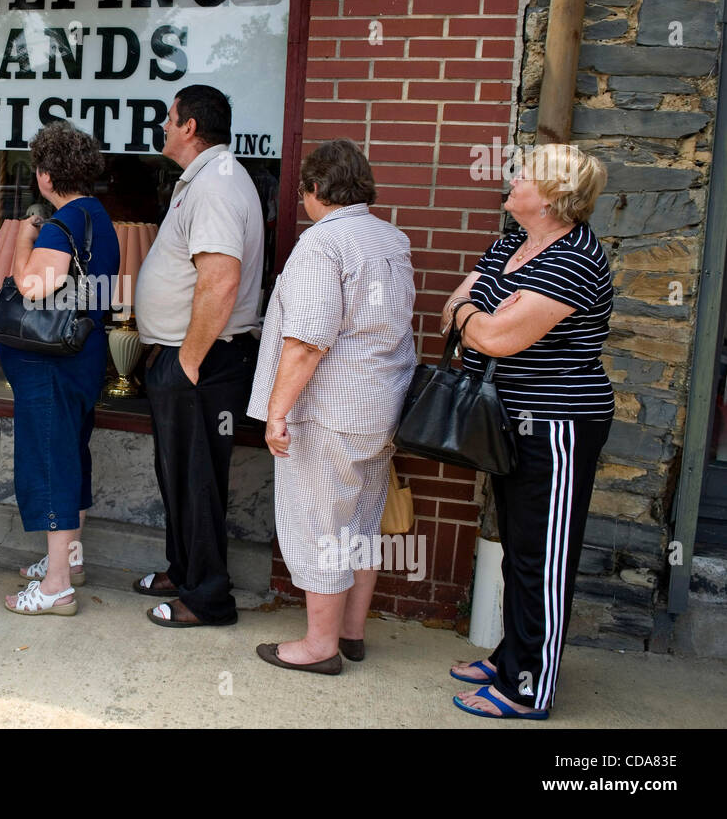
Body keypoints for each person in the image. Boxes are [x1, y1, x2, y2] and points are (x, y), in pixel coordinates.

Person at [446, 144, 612, 720]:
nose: (512, 178)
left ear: (552, 196)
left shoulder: (574, 258)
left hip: (557, 425)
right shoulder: (513, 244)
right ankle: (512, 655)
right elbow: (458, 304)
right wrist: (479, 317)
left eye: (525, 174)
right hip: (508, 419)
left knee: (543, 556)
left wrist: (477, 319)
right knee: (520, 546)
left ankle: (528, 688)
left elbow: (493, 338)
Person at [246, 139, 416, 674]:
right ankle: (351, 632)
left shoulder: (323, 244)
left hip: (330, 410)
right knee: (361, 524)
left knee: (320, 526)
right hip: (382, 406)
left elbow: (307, 340)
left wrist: (277, 412)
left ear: (315, 189)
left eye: (303, 192)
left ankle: (320, 647)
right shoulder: (392, 239)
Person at [133, 85, 264, 628]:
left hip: (204, 363)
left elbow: (220, 280)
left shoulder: (215, 185)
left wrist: (186, 363)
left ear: (190, 127)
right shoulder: (209, 179)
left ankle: (208, 599)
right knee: (180, 476)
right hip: (194, 358)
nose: (163, 125)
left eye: (169, 118)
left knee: (198, 482)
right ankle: (183, 571)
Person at [1, 121, 120, 616]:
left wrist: (25, 235)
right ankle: (67, 563)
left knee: (51, 464)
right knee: (71, 455)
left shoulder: (62, 223)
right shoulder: (98, 218)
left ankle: (56, 587)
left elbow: (31, 286)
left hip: (53, 366)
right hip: (81, 357)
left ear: (47, 175)